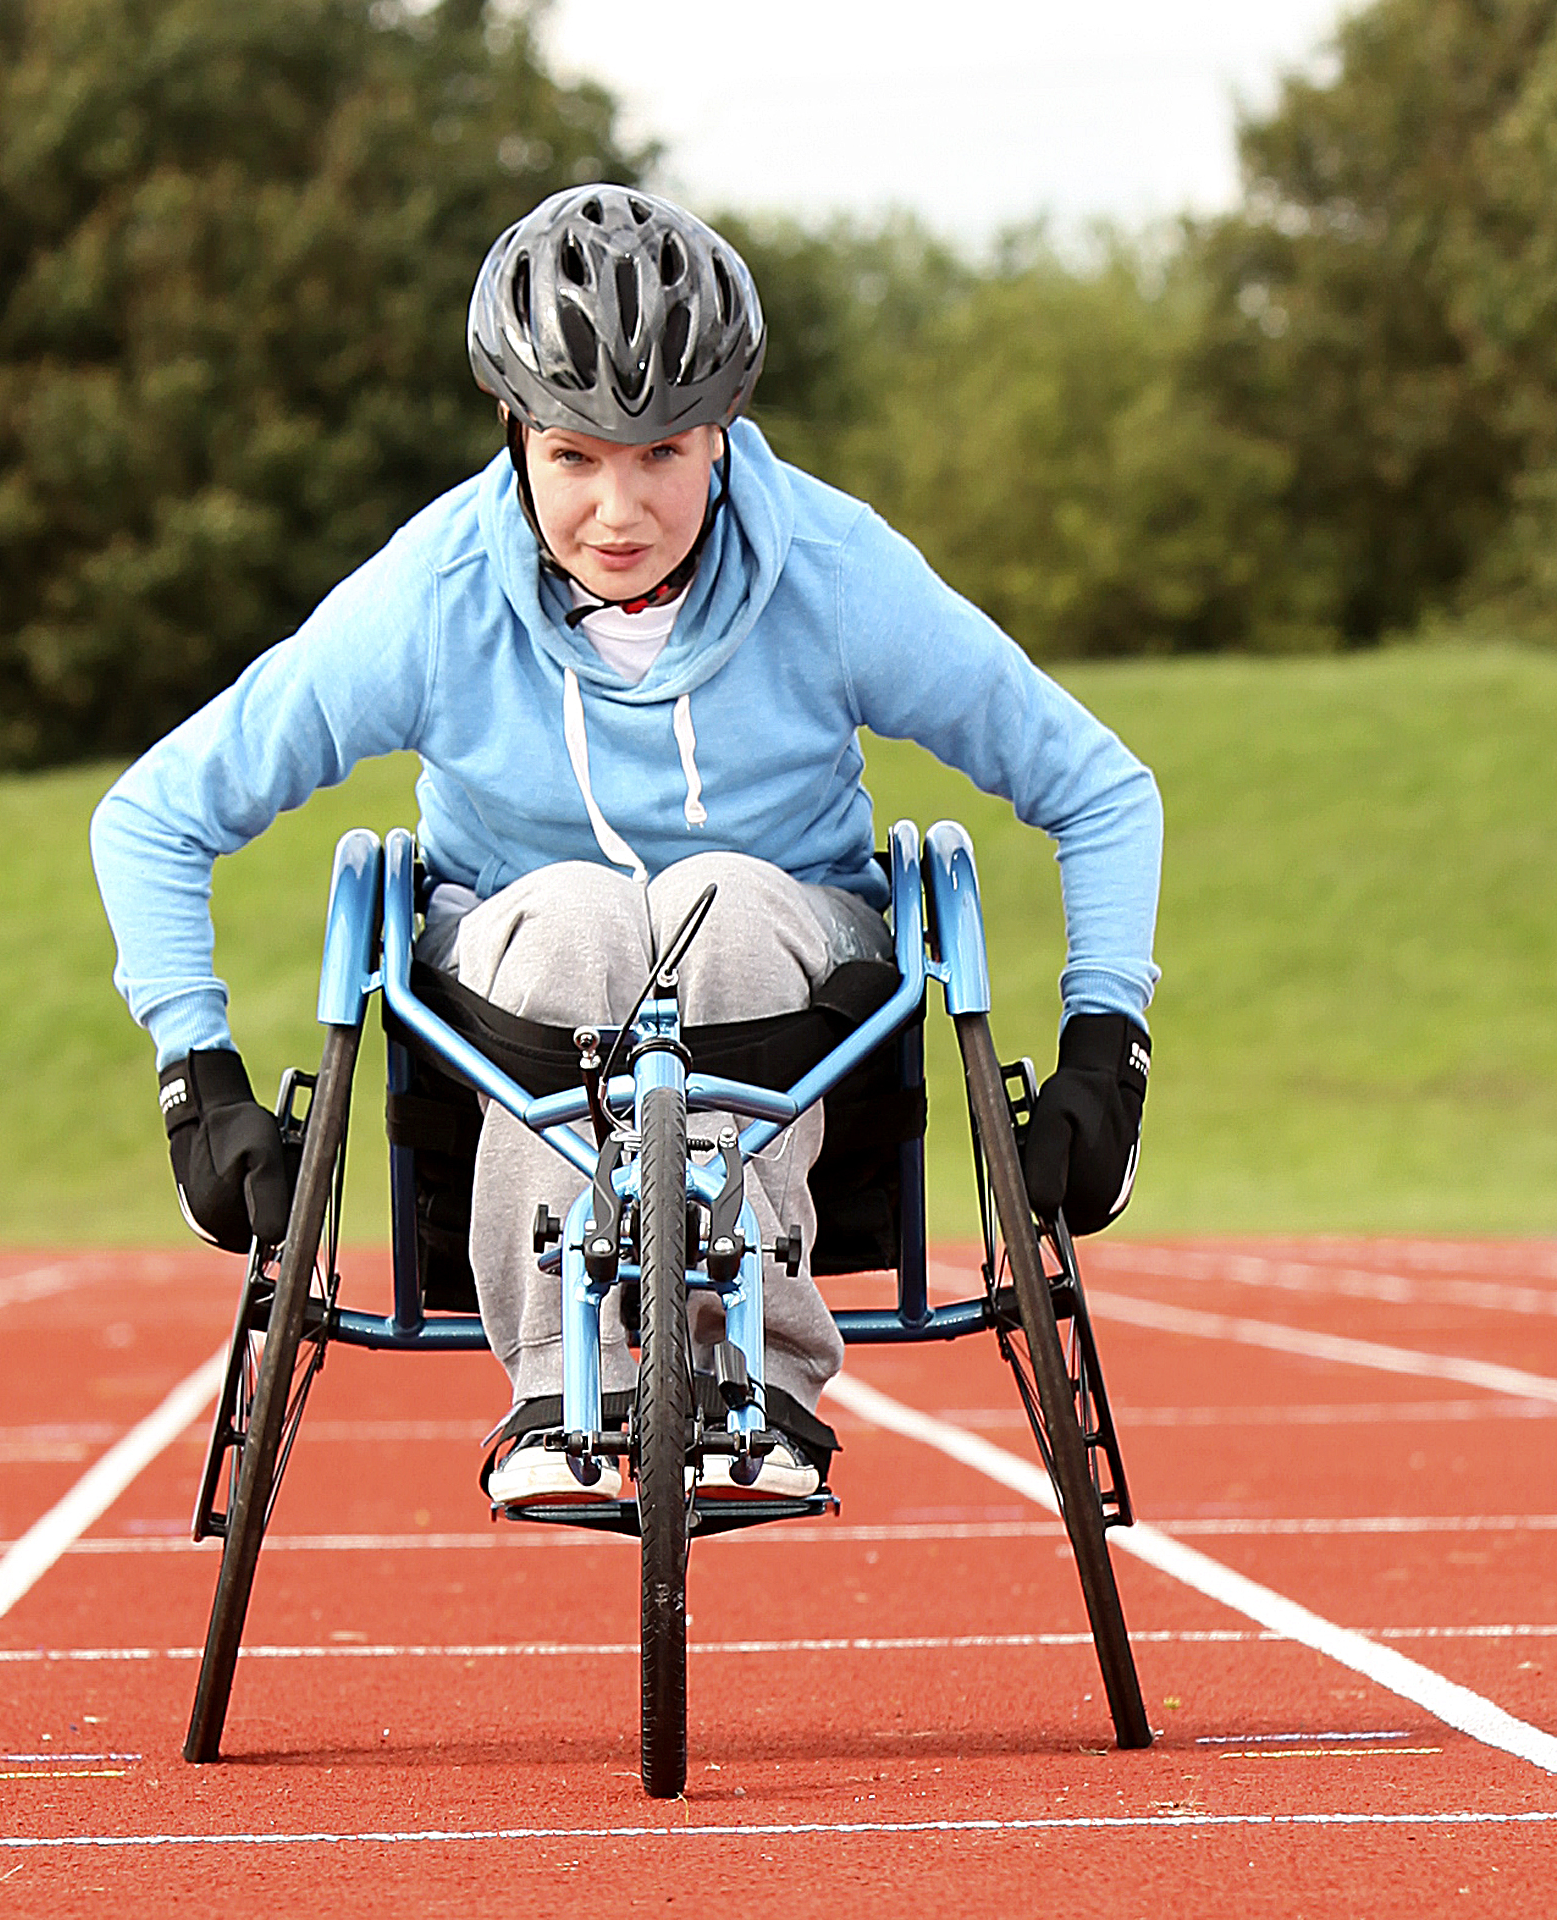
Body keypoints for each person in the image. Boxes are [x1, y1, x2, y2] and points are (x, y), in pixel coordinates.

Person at [91, 185, 1160, 1510]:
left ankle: (752, 1379)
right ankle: (556, 1381)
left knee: (717, 895)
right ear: (516, 438)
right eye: (575, 457)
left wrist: (1106, 1050)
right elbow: (151, 815)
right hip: (517, 986)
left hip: (794, 982)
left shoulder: (835, 569)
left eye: (665, 454)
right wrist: (197, 1076)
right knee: (580, 911)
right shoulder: (433, 598)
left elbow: (1101, 788)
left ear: (724, 437)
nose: (619, 507)